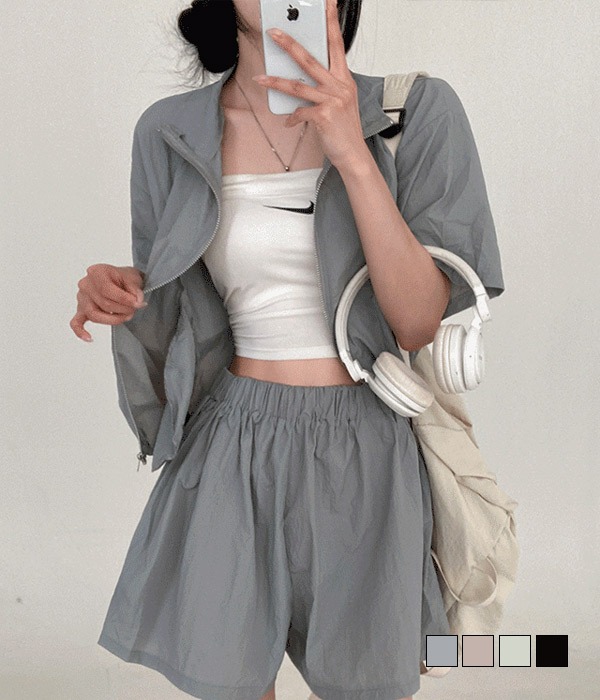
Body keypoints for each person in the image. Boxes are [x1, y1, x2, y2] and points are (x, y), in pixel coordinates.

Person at [71, 1, 506, 698]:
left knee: (366, 682)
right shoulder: (168, 132)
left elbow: (418, 321)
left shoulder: (414, 112)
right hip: (232, 445)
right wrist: (122, 289)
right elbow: (180, 307)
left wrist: (351, 150)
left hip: (367, 447)